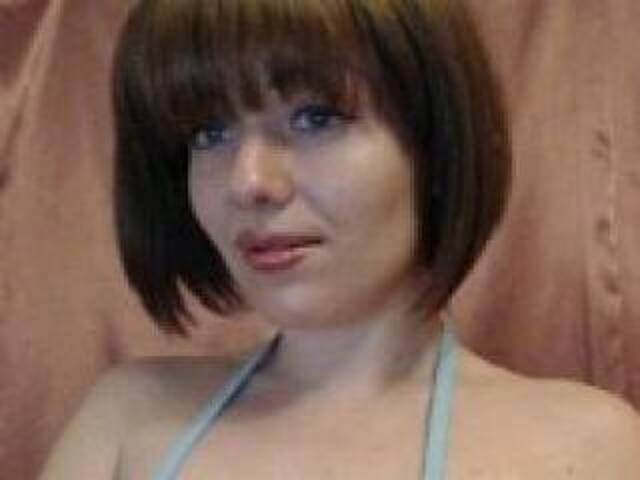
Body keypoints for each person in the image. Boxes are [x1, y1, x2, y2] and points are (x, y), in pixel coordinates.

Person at [40, 0, 640, 478]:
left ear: (434, 143)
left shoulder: (585, 449)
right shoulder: (125, 422)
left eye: (315, 118)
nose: (248, 182)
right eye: (209, 132)